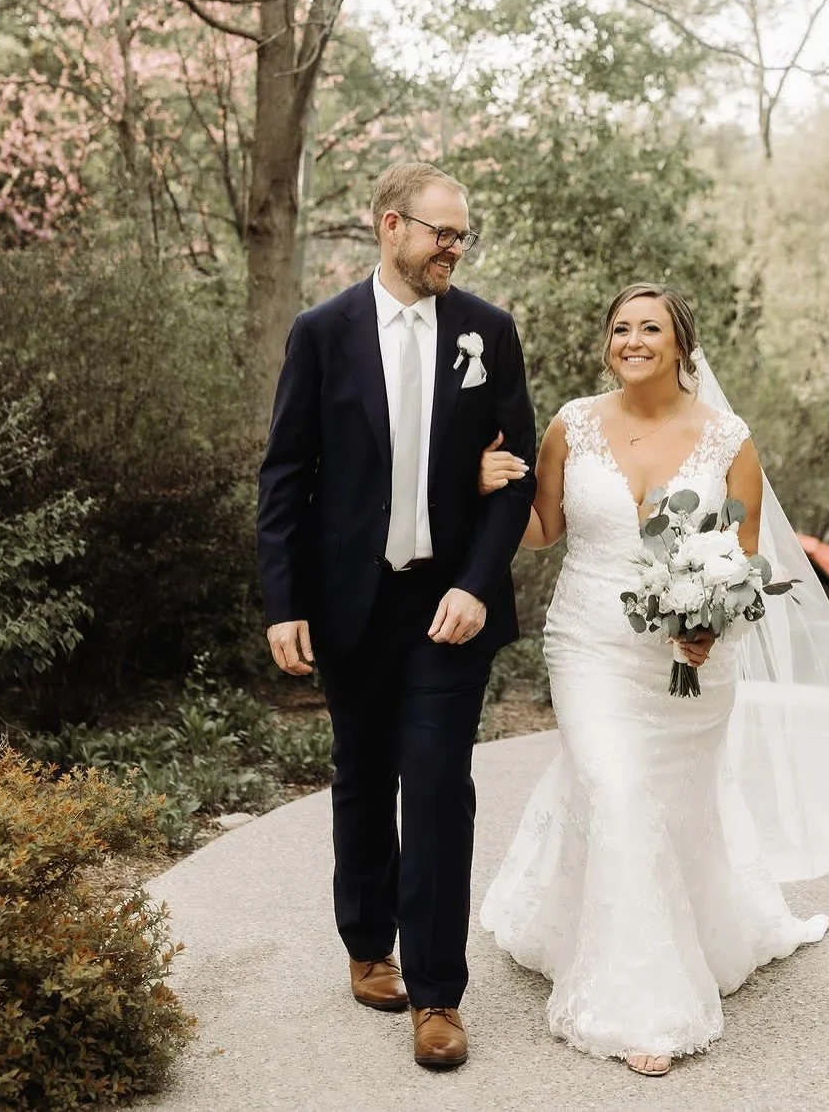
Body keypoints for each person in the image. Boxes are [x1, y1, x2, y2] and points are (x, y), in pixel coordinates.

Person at [478, 282, 829, 1077]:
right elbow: (542, 530)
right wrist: (485, 484)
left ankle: (672, 922)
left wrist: (707, 623)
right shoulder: (572, 424)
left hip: (689, 657)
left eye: (649, 328)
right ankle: (642, 1001)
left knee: (664, 802)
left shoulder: (728, 439)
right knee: (619, 789)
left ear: (681, 344)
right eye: (620, 327)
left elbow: (745, 561)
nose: (631, 339)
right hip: (587, 640)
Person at [256, 161, 536, 1071]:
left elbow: (513, 471)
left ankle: (439, 992)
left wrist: (475, 581)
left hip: (448, 600)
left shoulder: (488, 332)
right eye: (441, 232)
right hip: (352, 602)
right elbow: (287, 476)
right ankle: (367, 942)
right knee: (364, 775)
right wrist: (284, 601)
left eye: (464, 234)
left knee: (439, 781)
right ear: (391, 226)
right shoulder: (323, 332)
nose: (455, 247)